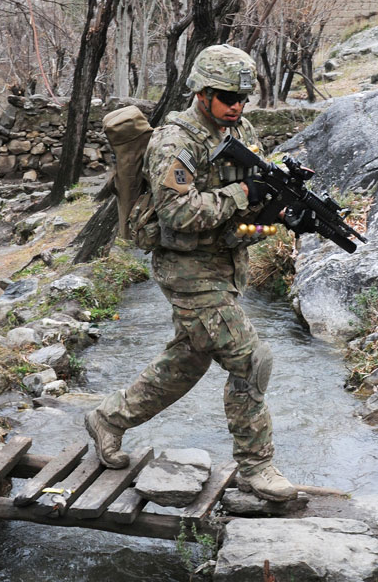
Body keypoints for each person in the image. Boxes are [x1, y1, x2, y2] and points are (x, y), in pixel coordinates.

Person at [85, 44, 298, 502]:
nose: (237, 106)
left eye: (243, 96)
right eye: (226, 97)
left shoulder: (241, 128)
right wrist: (244, 192)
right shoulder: (175, 141)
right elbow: (177, 215)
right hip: (185, 267)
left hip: (225, 263)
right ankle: (256, 467)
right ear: (202, 93)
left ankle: (109, 418)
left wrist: (279, 210)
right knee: (250, 358)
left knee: (188, 360)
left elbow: (250, 198)